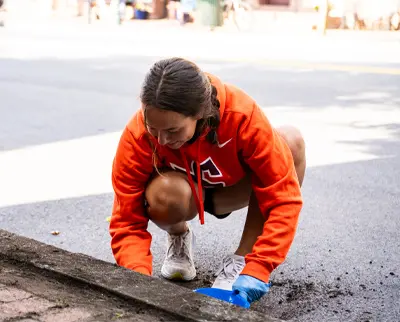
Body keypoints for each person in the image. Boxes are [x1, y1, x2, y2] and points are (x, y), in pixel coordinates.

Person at [109, 57, 305, 305]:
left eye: (172, 131)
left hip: (235, 189)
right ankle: (179, 237)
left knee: (290, 142)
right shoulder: (138, 133)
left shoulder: (242, 115)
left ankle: (241, 261)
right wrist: (137, 280)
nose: (161, 140)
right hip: (183, 194)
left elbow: (283, 199)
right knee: (166, 192)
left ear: (200, 114)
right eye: (153, 128)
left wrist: (259, 267)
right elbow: (126, 219)